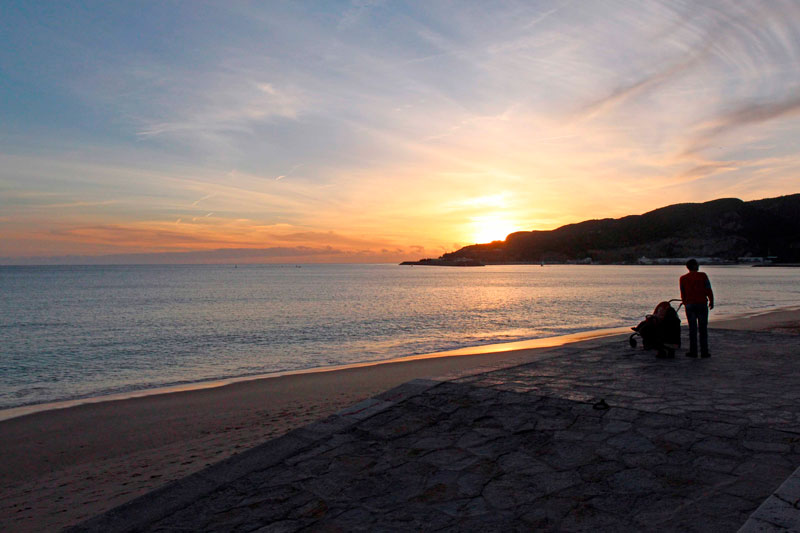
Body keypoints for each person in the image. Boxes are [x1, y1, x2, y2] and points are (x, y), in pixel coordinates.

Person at [679, 259, 714, 358]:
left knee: (692, 329)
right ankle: (704, 352)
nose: (698, 265)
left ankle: (693, 352)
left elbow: (683, 292)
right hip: (701, 304)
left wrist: (685, 302)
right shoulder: (703, 276)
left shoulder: (683, 278)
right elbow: (708, 289)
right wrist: (711, 301)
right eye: (697, 264)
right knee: (703, 329)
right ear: (694, 266)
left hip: (690, 305)